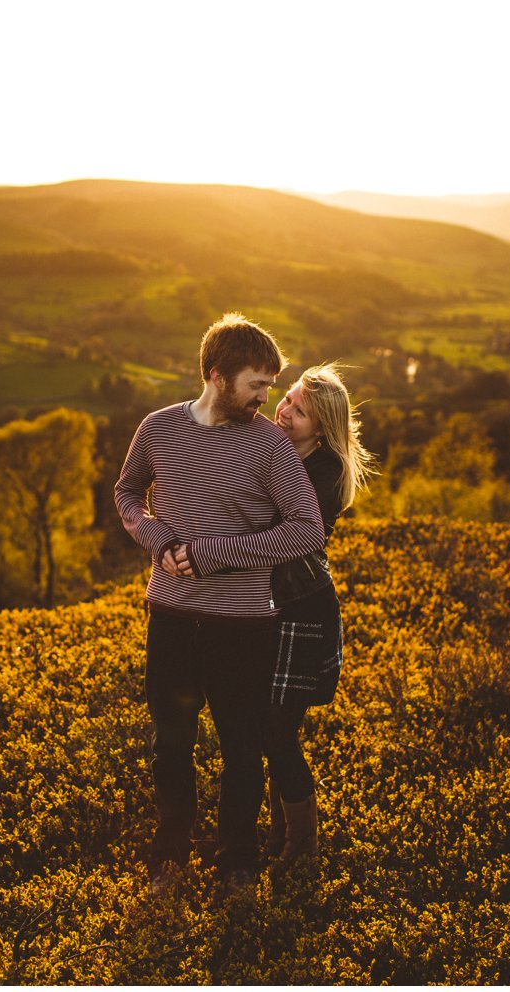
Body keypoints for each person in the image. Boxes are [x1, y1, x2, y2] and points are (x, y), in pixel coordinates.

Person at [114, 312, 325, 891]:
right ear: (216, 376)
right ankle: (169, 860)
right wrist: (156, 538)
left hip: (244, 622)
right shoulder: (157, 429)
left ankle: (238, 864)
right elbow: (127, 492)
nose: (267, 398)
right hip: (172, 615)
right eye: (257, 385)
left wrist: (215, 553)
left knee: (241, 747)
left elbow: (308, 529)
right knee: (172, 744)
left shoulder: (269, 445)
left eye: (270, 385)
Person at [262, 364, 377, 867]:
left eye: (298, 409)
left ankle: (301, 847)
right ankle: (281, 834)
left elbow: (268, 523)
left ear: (322, 428)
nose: (284, 411)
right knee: (270, 728)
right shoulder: (289, 452)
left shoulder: (322, 473)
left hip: (302, 613)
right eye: (286, 399)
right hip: (276, 608)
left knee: (277, 731)